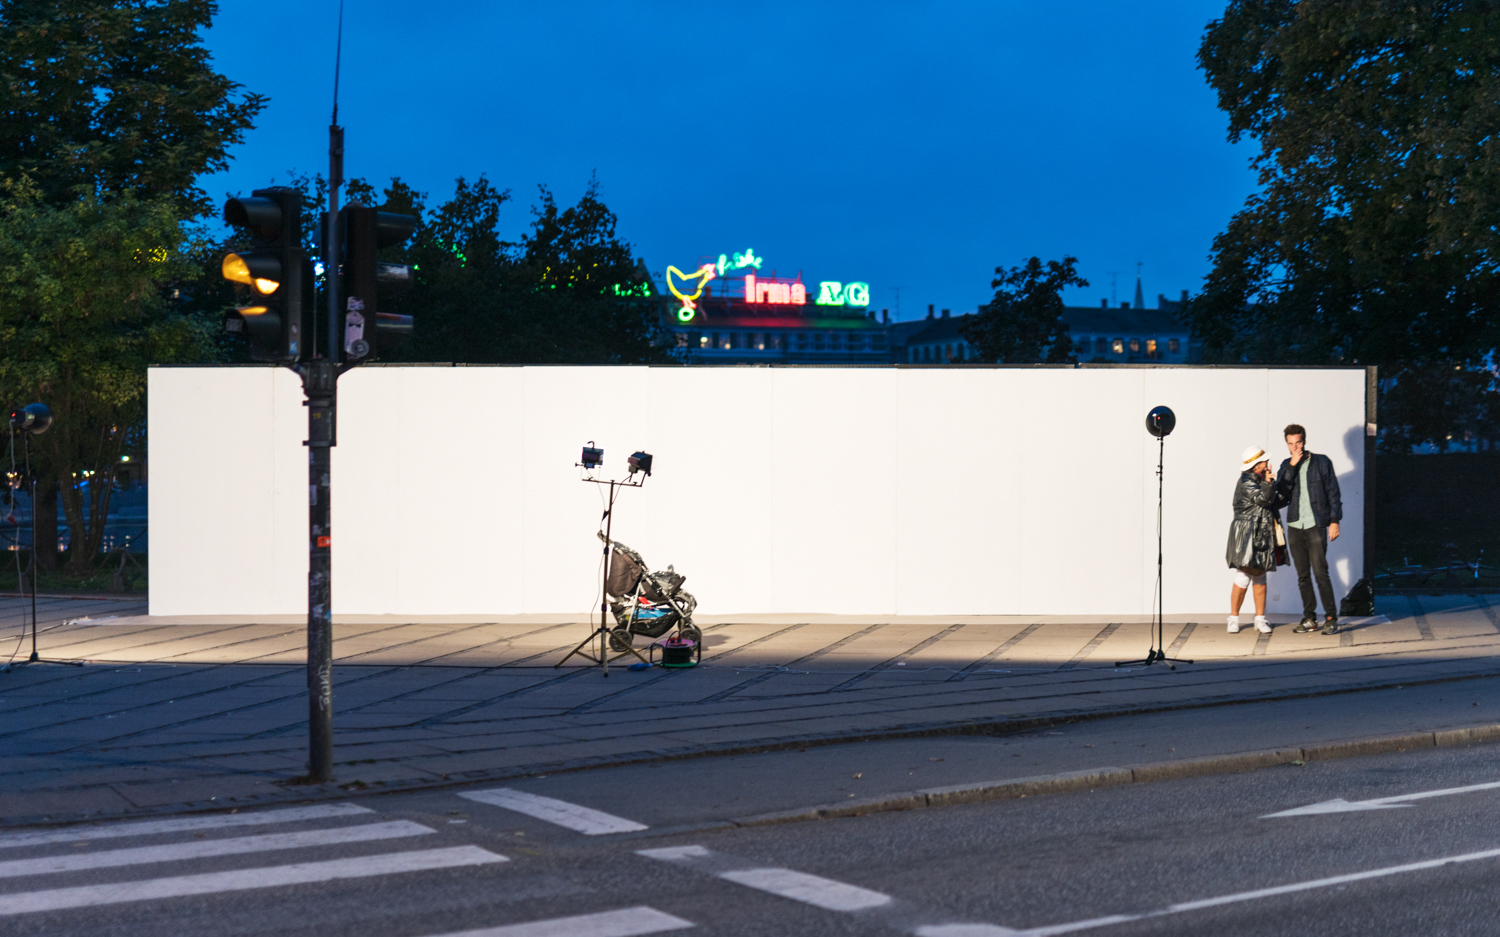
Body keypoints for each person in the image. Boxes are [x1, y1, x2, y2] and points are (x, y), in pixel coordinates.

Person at [1275, 423, 1342, 635]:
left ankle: (1331, 618)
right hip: (1295, 525)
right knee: (1302, 575)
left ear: (1304, 441)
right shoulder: (1286, 465)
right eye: (1290, 444)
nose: (1295, 447)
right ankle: (1309, 618)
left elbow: (1333, 492)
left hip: (1316, 524)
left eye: (1298, 442)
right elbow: (1281, 494)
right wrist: (1292, 466)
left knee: (1321, 573)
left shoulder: (1321, 462)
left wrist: (1334, 520)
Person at [1226, 445, 1280, 634]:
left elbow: (1274, 499)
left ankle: (1260, 619)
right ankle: (1233, 618)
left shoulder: (1259, 479)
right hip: (1248, 532)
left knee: (1259, 575)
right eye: (1264, 461)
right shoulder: (1246, 481)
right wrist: (1269, 482)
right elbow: (1264, 499)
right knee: (1244, 574)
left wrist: (1271, 483)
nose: (1267, 464)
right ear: (1257, 465)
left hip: (1260, 530)